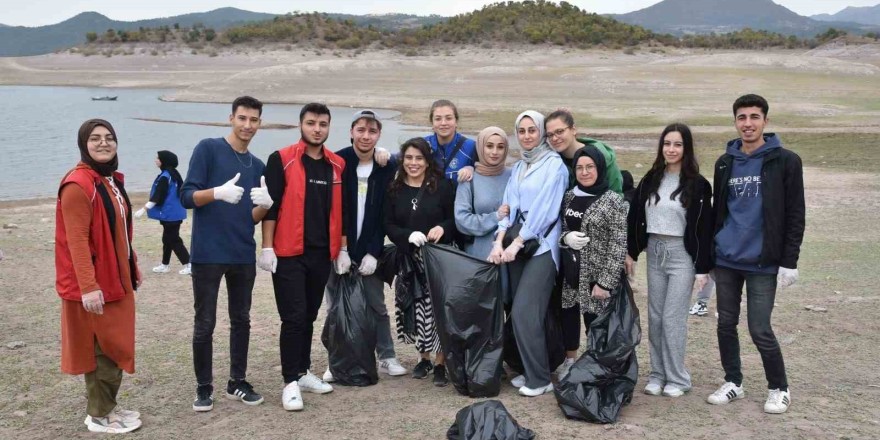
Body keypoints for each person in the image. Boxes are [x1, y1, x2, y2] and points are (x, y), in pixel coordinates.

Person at [706, 94, 805, 414]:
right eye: (741, 117)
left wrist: (789, 262)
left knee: (759, 328)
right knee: (725, 324)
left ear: (765, 121)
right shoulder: (725, 162)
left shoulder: (785, 160)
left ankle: (779, 388)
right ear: (735, 121)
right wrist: (711, 252)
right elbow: (718, 211)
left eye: (754, 117)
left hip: (763, 261)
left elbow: (795, 214)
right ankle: (733, 381)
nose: (747, 124)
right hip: (727, 259)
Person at [256, 103, 346, 411]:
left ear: (329, 127)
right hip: (289, 252)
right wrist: (267, 247)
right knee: (292, 317)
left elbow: (340, 211)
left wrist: (342, 248)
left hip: (321, 254)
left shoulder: (336, 165)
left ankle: (303, 370)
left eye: (322, 123)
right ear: (301, 125)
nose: (317, 128)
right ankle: (289, 382)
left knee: (309, 313)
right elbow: (270, 206)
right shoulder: (281, 159)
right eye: (311, 123)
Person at [55, 119, 143, 433]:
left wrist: (132, 265)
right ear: (84, 145)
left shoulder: (106, 180)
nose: (103, 143)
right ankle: (99, 415)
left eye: (109, 137)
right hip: (95, 285)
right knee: (101, 348)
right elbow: (76, 240)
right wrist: (89, 287)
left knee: (115, 344)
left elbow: (118, 232)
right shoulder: (79, 184)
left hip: (115, 278)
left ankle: (108, 406)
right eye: (95, 138)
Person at [181, 96, 267, 412]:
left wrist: (266, 205)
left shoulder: (257, 166)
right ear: (231, 117)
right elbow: (187, 197)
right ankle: (204, 388)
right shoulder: (208, 148)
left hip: (243, 254)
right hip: (208, 253)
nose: (247, 125)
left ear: (260, 123)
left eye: (254, 120)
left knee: (241, 319)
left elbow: (249, 217)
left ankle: (237, 382)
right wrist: (216, 192)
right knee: (205, 322)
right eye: (242, 118)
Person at [625, 123, 714, 398]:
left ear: (686, 148)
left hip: (682, 256)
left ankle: (678, 378)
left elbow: (704, 228)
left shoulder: (698, 184)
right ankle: (657, 374)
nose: (671, 149)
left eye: (677, 144)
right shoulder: (652, 178)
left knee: (673, 318)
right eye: (667, 144)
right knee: (655, 317)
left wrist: (702, 268)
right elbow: (636, 217)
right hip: (654, 251)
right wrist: (631, 251)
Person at [322, 109, 407, 383]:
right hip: (338, 248)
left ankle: (387, 355)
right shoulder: (338, 161)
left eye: (372, 131)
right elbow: (336, 209)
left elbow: (385, 212)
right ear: (351, 131)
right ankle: (336, 360)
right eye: (361, 130)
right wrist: (341, 250)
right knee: (335, 307)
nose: (366, 136)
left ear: (378, 134)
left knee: (376, 305)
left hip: (371, 248)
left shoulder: (386, 167)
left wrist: (373, 251)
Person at [488, 111, 568, 397]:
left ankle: (540, 378)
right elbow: (508, 206)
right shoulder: (521, 166)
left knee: (524, 313)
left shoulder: (554, 166)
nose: (526, 136)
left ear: (542, 132)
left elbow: (546, 212)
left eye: (532, 130)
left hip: (541, 248)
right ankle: (527, 368)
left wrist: (517, 243)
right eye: (521, 131)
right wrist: (499, 241)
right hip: (516, 248)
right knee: (524, 314)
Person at [544, 109, 624, 376]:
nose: (585, 171)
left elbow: (617, 242)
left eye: (590, 167)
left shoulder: (612, 200)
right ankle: (569, 361)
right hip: (572, 270)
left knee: (596, 321)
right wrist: (565, 238)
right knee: (569, 316)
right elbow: (561, 226)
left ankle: (598, 364)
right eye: (580, 167)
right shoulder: (570, 195)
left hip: (597, 273)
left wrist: (606, 281)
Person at [384, 137, 456, 387]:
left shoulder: (443, 186)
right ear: (402, 161)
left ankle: (440, 363)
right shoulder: (394, 189)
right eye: (409, 158)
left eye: (419, 158)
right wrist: (406, 236)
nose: (413, 163)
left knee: (438, 310)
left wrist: (441, 228)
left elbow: (453, 221)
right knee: (415, 309)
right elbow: (389, 225)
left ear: (427, 162)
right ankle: (423, 358)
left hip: (438, 259)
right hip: (409, 260)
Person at [454, 126, 512, 259]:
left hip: (511, 254)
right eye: (489, 146)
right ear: (480, 147)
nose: (495, 152)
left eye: (501, 147)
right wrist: (495, 217)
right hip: (480, 256)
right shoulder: (468, 178)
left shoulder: (514, 175)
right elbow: (461, 220)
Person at [134, 150, 191, 275]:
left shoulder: (166, 177)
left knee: (174, 239)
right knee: (167, 239)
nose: (155, 160)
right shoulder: (173, 174)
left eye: (158, 158)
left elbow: (158, 196)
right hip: (174, 213)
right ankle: (165, 265)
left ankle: (189, 264)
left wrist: (144, 209)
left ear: (164, 161)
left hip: (170, 214)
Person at [544, 109, 623, 193]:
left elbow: (616, 192)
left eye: (559, 131)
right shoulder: (553, 162)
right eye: (550, 135)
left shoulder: (601, 156)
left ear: (573, 130)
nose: (554, 138)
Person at [425, 99, 476, 182]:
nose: (443, 123)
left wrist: (472, 169)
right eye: (438, 119)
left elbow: (487, 170)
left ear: (456, 121)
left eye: (448, 118)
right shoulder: (423, 145)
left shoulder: (471, 147)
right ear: (432, 123)